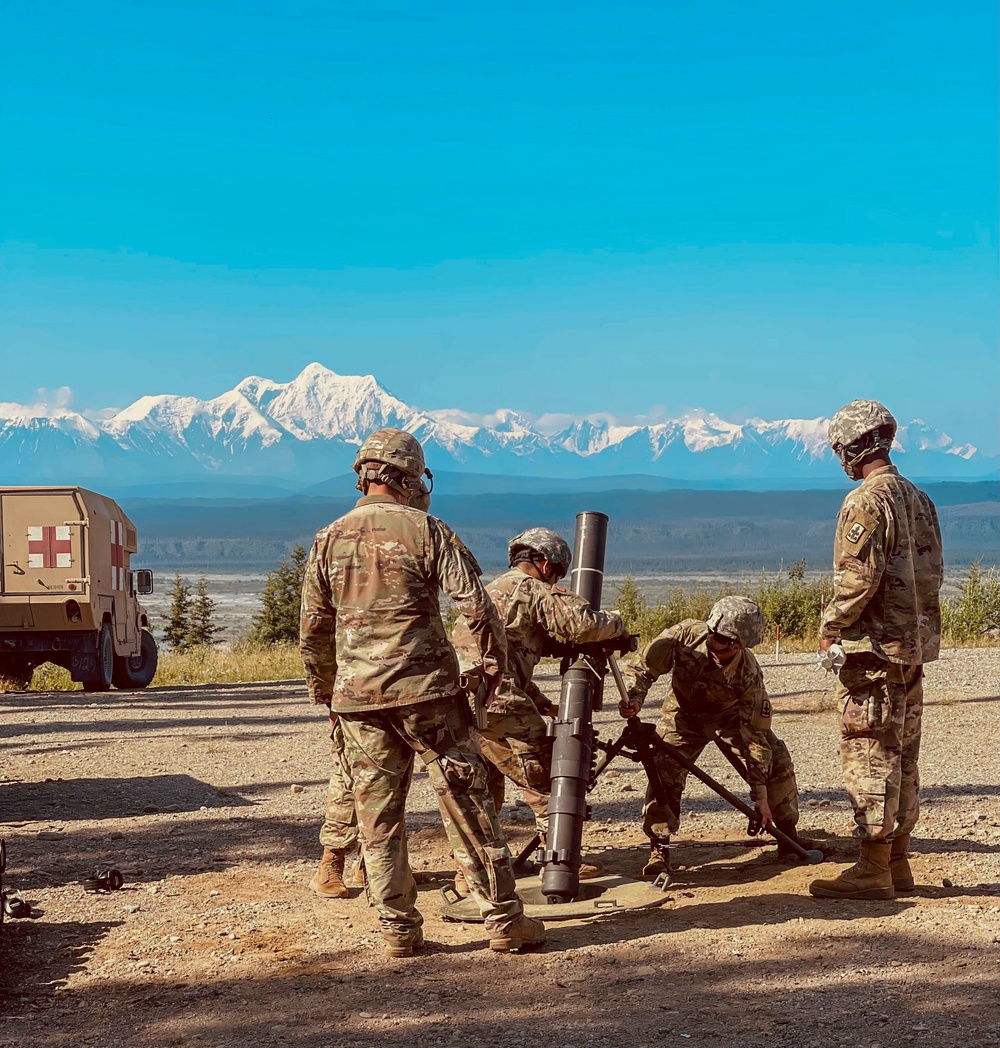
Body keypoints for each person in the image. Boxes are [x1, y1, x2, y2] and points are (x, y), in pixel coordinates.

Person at [299, 428, 544, 956]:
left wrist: (327, 693)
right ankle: (503, 920)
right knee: (466, 802)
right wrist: (492, 669)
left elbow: (314, 629)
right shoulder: (428, 531)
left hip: (358, 701)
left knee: (377, 815)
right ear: (412, 477)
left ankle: (398, 929)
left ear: (362, 474)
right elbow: (476, 607)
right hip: (427, 694)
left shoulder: (326, 538)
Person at [809, 400, 943, 901]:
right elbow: (932, 577)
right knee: (904, 753)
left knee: (869, 753)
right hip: (911, 650)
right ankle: (898, 861)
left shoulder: (867, 502)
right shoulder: (920, 499)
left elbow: (856, 581)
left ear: (853, 447)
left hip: (872, 654)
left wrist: (831, 628)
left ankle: (872, 867)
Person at [452, 527, 629, 886]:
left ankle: (475, 873)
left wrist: (542, 703)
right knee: (548, 775)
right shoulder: (529, 588)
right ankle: (559, 862)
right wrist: (619, 625)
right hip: (497, 703)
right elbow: (580, 625)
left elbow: (504, 662)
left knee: (484, 788)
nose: (557, 579)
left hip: (462, 704)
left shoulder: (492, 591)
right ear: (546, 563)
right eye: (559, 573)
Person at [618, 596, 815, 877]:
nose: (713, 641)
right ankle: (659, 847)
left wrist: (759, 795)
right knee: (663, 770)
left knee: (777, 760)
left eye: (722, 639)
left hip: (730, 717)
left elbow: (755, 734)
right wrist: (634, 697)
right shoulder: (685, 635)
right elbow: (643, 666)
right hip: (683, 714)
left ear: (739, 644)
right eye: (712, 633)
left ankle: (787, 836)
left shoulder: (748, 673)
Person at [307, 482, 433, 900]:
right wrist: (325, 692)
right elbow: (317, 627)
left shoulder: (346, 536)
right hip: (382, 684)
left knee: (376, 781)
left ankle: (365, 865)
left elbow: (315, 629)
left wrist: (326, 689)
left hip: (369, 685)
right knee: (355, 778)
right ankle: (335, 861)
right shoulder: (409, 533)